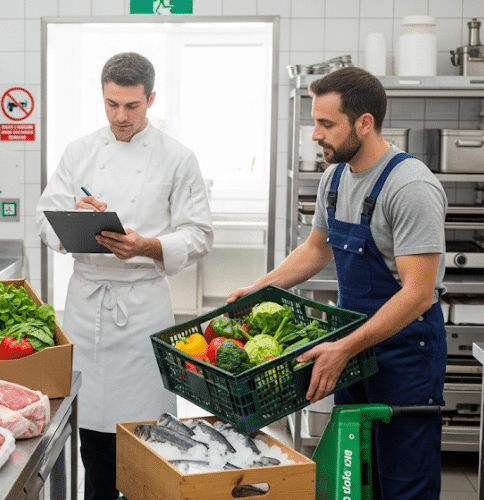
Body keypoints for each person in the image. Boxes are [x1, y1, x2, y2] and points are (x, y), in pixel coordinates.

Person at [229, 66, 447, 499]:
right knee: (356, 476)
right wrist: (262, 288)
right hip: (352, 350)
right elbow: (316, 249)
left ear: (364, 123)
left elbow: (418, 292)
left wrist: (345, 346)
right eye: (316, 121)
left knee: (403, 482)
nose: (315, 134)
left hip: (405, 357)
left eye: (326, 124)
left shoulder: (410, 187)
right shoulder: (335, 177)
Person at [36, 52, 213, 500]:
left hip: (142, 306)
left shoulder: (178, 157)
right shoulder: (79, 151)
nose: (121, 116)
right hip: (87, 303)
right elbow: (43, 220)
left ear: (150, 99)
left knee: (144, 432)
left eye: (131, 106)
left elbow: (199, 234)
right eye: (112, 104)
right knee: (91, 432)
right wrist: (72, 220)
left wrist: (148, 246)